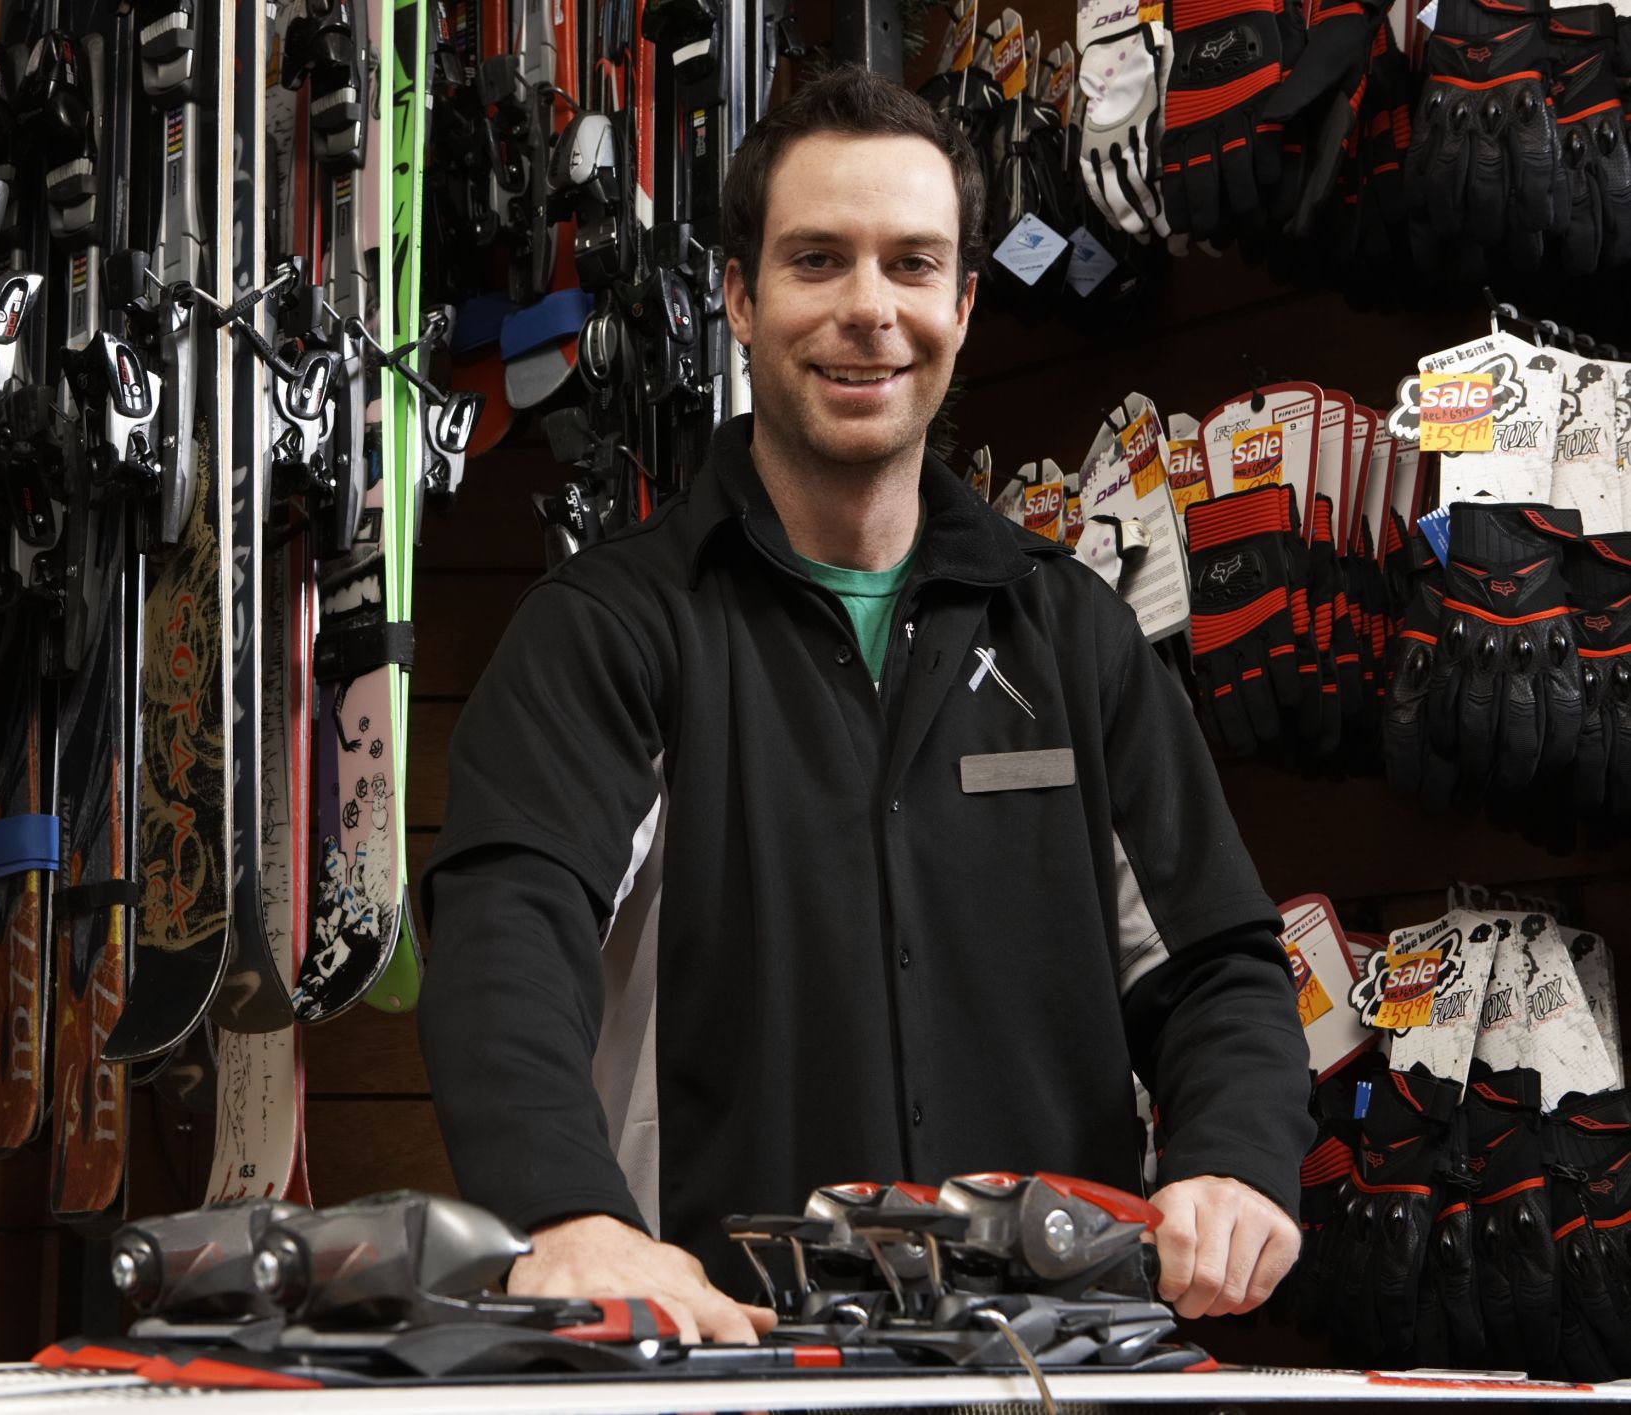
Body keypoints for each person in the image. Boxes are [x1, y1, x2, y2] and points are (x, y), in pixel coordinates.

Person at [416, 66, 1313, 1346]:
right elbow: (509, 932)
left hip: (1047, 1367)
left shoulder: (1072, 634)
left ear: (961, 300)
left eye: (909, 265)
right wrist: (567, 1213)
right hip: (725, 1357)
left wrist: (1228, 1158)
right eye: (817, 260)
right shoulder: (612, 631)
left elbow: (1217, 962)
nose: (868, 311)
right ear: (739, 295)